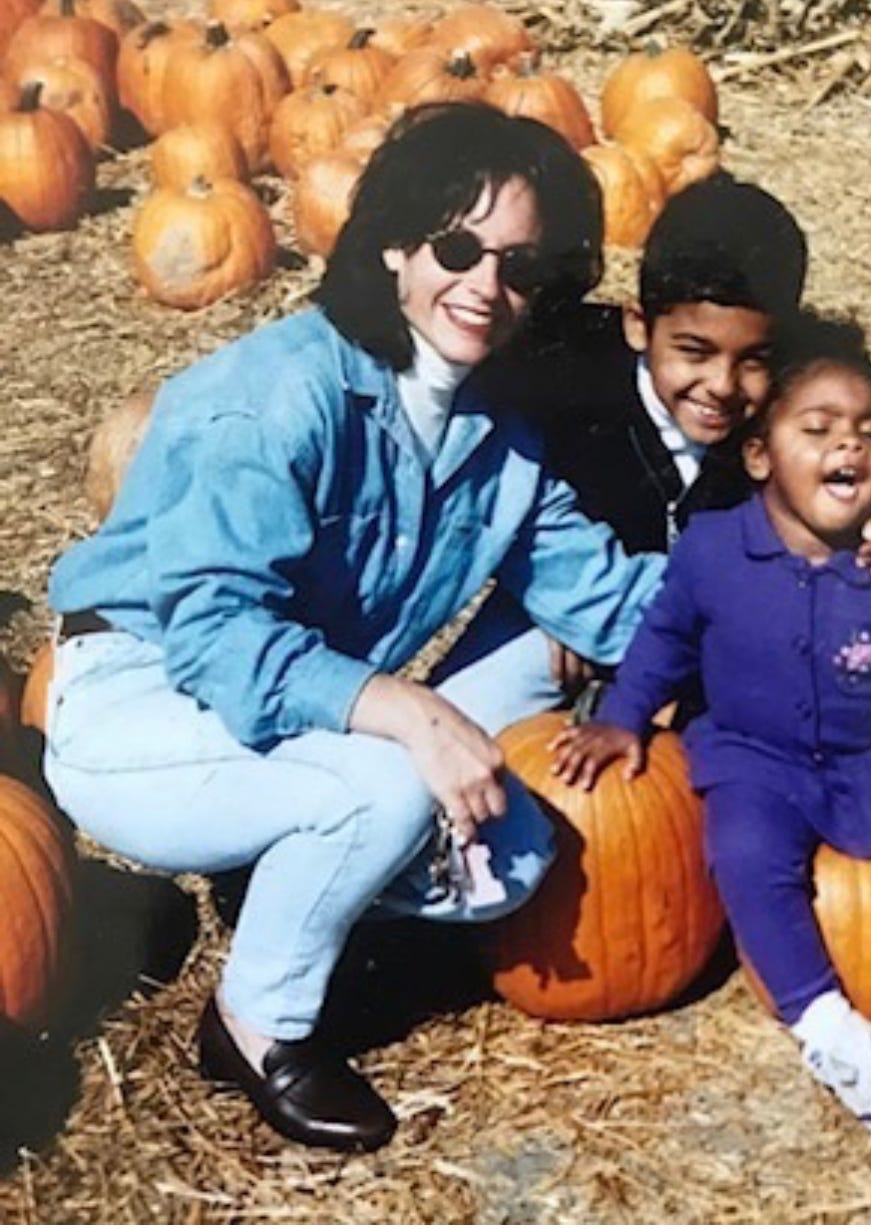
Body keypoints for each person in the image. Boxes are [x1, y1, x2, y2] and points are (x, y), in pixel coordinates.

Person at [40, 102, 666, 1153]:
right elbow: (214, 639)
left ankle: (298, 867)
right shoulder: (276, 395)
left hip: (282, 701)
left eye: (518, 265)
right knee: (386, 782)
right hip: (139, 694)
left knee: (511, 855)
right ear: (392, 243)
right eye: (457, 247)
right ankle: (255, 1026)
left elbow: (604, 595)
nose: (485, 286)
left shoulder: (500, 435)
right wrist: (411, 718)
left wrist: (806, 610)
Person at [549, 311, 871, 1147]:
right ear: (759, 455)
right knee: (745, 856)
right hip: (763, 759)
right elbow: (666, 639)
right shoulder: (713, 551)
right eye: (817, 429)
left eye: (870, 433)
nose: (846, 448)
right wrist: (623, 716)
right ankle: (826, 1027)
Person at [434, 173, 871, 729]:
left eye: (753, 359)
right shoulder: (567, 378)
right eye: (694, 351)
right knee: (453, 721)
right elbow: (501, 499)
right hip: (569, 613)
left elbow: (851, 454)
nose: (722, 385)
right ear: (638, 327)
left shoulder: (786, 403)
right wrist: (558, 605)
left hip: (719, 629)